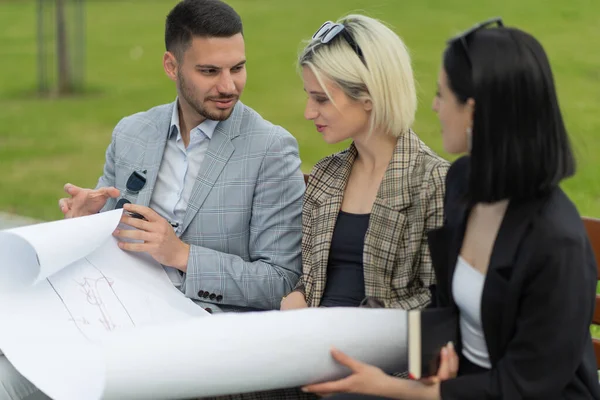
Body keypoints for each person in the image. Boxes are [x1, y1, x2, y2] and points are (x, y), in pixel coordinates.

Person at [0, 0, 304, 398]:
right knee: (10, 369)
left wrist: (182, 255)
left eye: (237, 68)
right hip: (112, 317)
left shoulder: (271, 150)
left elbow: (281, 281)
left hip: (198, 336)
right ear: (171, 66)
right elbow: (108, 237)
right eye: (210, 71)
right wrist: (85, 223)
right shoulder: (132, 133)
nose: (229, 86)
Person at [300, 18, 600, 400]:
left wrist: (391, 386)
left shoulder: (556, 242)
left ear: (473, 111)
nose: (435, 106)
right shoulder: (465, 183)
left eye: (443, 95)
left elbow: (525, 385)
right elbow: (444, 303)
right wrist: (436, 358)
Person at [280, 15, 449, 312]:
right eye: (309, 97)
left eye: (321, 99)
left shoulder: (432, 180)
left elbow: (436, 297)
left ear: (368, 96)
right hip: (309, 342)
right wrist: (299, 295)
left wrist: (359, 328)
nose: (308, 112)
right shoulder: (325, 175)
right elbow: (311, 277)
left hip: (384, 350)